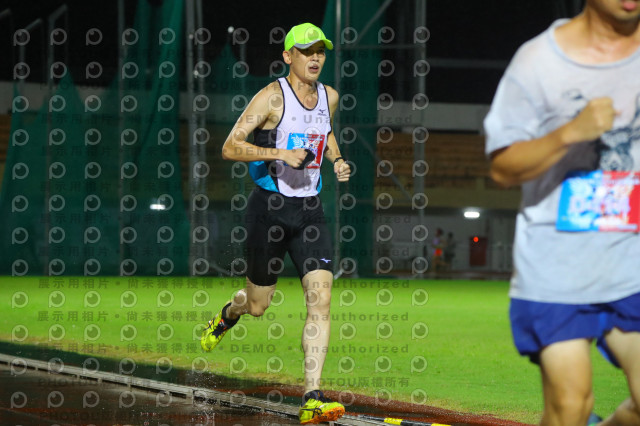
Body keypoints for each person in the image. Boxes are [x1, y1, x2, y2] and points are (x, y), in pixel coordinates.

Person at [484, 1, 640, 425]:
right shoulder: (539, 60)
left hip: (631, 264)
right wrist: (571, 132)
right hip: (557, 268)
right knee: (571, 407)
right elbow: (502, 167)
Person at [200, 23, 351, 425]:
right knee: (257, 305)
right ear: (288, 56)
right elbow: (230, 147)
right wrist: (280, 153)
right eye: (306, 51)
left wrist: (337, 159)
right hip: (269, 210)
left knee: (320, 300)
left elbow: (325, 132)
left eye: (320, 51)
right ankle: (228, 314)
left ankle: (312, 397)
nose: (315, 58)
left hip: (310, 211)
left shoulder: (330, 97)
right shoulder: (271, 97)